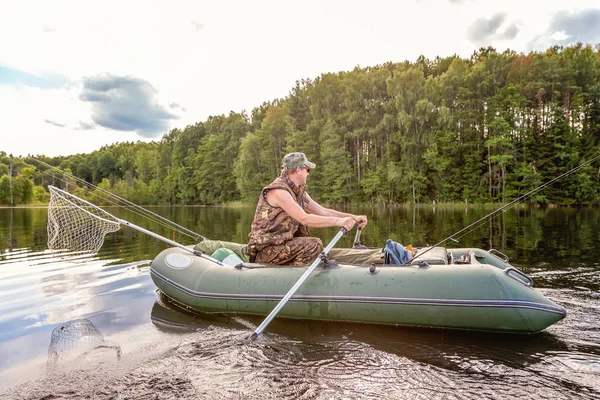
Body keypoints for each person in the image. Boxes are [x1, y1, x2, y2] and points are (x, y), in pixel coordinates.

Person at [247, 152, 368, 266]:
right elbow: (304, 218)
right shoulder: (279, 191)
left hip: (282, 245)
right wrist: (339, 222)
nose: (308, 173)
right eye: (307, 169)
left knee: (317, 247)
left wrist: (354, 218)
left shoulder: (298, 191)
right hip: (265, 250)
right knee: (313, 244)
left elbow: (322, 211)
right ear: (299, 170)